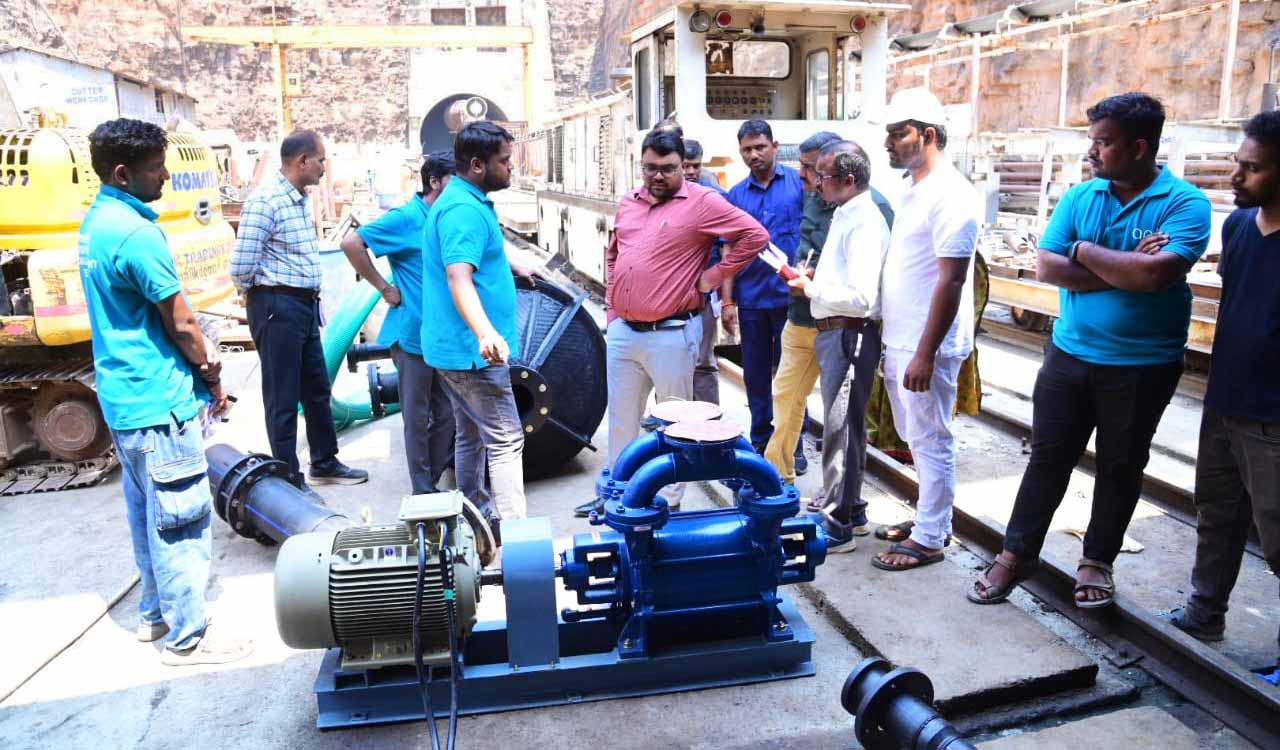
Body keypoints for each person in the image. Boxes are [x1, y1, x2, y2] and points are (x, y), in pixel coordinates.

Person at [969, 93, 1210, 605]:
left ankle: (1097, 562)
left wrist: (1083, 251)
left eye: (1103, 142)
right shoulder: (1082, 197)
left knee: (1122, 466)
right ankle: (1015, 553)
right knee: (1047, 459)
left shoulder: (1187, 203)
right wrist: (1119, 262)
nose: (1092, 153)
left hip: (1144, 365)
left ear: (1139, 147)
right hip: (1070, 355)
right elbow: (1048, 267)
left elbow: (1156, 275)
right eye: (1091, 141)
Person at [80, 118, 250, 665]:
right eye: (157, 169)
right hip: (157, 399)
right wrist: (212, 376)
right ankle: (189, 634)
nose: (167, 176)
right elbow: (181, 325)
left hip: (122, 395)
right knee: (180, 517)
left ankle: (154, 614)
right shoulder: (137, 234)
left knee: (146, 509)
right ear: (124, 173)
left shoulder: (98, 221)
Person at [603, 127, 768, 509]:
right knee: (621, 421)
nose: (657, 176)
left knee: (674, 423)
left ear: (683, 166)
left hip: (672, 332)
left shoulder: (703, 202)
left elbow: (754, 236)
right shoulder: (629, 202)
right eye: (649, 169)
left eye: (667, 169)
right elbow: (614, 253)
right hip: (624, 332)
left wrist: (713, 276)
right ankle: (620, 495)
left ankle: (668, 500)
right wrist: (612, 308)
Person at [1166, 110, 1280, 652]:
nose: (1235, 178)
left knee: (1278, 538)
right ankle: (1204, 612)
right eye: (1238, 164)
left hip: (1273, 416)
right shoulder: (1237, 228)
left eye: (1251, 169)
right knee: (1216, 514)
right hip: (1225, 401)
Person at [872, 88, 980, 572]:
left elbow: (952, 279)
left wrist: (924, 353)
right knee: (918, 439)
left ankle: (932, 537)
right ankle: (926, 519)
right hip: (903, 339)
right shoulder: (912, 188)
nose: (889, 144)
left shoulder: (952, 194)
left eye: (898, 134)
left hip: (925, 345)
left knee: (933, 439)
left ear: (928, 134)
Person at [231, 129, 368, 489]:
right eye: (321, 160)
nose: (324, 167)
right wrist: (264, 298)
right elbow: (241, 267)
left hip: (303, 304)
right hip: (277, 305)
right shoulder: (266, 202)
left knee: (316, 387)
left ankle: (324, 461)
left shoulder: (298, 198)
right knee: (282, 396)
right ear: (302, 161)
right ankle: (287, 476)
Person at [764, 131, 895, 499]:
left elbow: (865, 292)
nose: (808, 178)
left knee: (842, 426)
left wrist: (811, 286)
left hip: (844, 326)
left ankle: (843, 512)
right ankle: (780, 479)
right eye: (808, 170)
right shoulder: (831, 204)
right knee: (789, 400)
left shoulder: (868, 213)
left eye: (816, 171)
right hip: (810, 321)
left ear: (844, 176)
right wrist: (808, 275)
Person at [422, 121, 536, 539]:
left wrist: (510, 266)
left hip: (452, 349)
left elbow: (475, 260)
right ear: (476, 165)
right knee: (506, 440)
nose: (511, 169)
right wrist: (486, 333)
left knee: (470, 433)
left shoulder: (464, 199)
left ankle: (475, 516)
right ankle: (515, 538)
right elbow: (458, 276)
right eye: (503, 162)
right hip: (471, 352)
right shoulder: (464, 210)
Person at [340, 150, 457, 495]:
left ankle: (430, 478)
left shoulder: (444, 217)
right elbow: (351, 242)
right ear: (434, 182)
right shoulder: (406, 218)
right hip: (411, 335)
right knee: (417, 417)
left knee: (447, 414)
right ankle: (422, 488)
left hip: (440, 336)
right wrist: (384, 287)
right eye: (456, 179)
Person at [726, 119, 805, 458]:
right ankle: (761, 438)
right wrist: (728, 301)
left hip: (793, 299)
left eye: (760, 147)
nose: (754, 154)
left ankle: (792, 445)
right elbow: (727, 249)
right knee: (756, 375)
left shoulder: (800, 186)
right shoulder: (736, 196)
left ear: (775, 145)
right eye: (747, 149)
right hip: (752, 299)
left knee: (791, 377)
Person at [683, 137, 726, 406]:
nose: (690, 172)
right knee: (670, 358)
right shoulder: (663, 198)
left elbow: (728, 248)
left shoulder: (716, 198)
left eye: (695, 166)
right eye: (685, 166)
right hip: (673, 294)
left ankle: (709, 418)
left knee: (703, 360)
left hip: (705, 295)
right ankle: (671, 417)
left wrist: (725, 297)